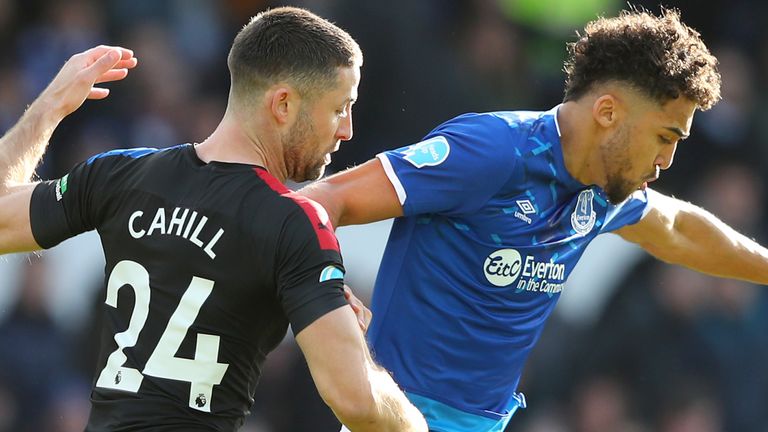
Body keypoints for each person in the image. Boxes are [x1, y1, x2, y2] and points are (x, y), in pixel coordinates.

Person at [301, 7, 768, 432]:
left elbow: (678, 228)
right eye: (665, 136)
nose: (667, 160)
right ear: (608, 112)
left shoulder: (604, 187)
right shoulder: (492, 151)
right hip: (396, 420)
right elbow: (323, 200)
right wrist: (324, 283)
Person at [0, 7, 426, 432]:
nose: (347, 129)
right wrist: (418, 423)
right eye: (340, 108)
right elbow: (355, 399)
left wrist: (50, 105)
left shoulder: (120, 175)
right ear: (282, 104)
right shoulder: (294, 221)